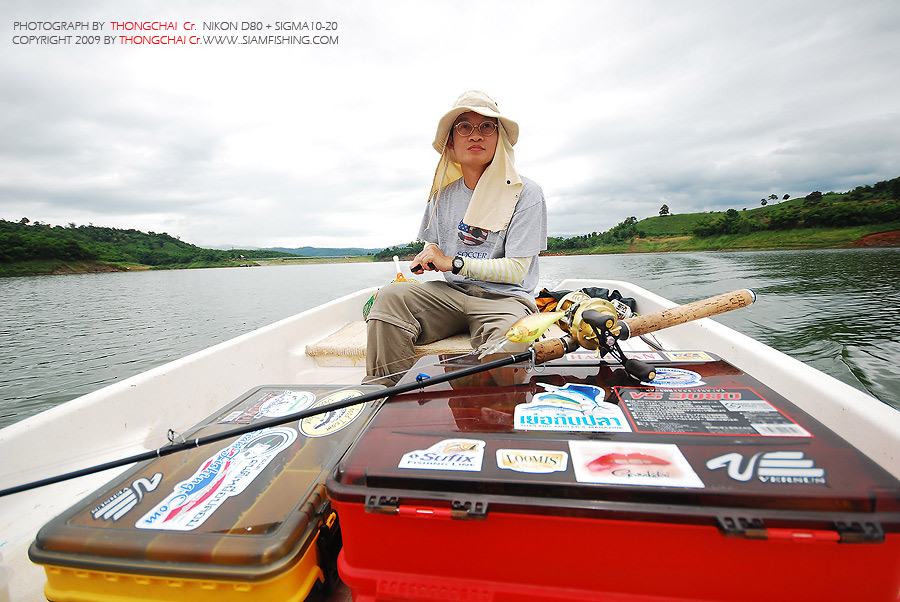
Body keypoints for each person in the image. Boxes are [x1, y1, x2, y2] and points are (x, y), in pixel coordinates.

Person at [364, 90, 547, 383]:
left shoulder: (526, 193)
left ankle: (496, 411)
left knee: (509, 347)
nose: (476, 135)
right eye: (465, 127)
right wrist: (429, 254)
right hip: (453, 295)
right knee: (390, 298)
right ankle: (381, 394)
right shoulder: (442, 196)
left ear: (499, 138)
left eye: (487, 126)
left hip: (506, 300)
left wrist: (453, 263)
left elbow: (517, 271)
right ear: (451, 141)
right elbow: (434, 242)